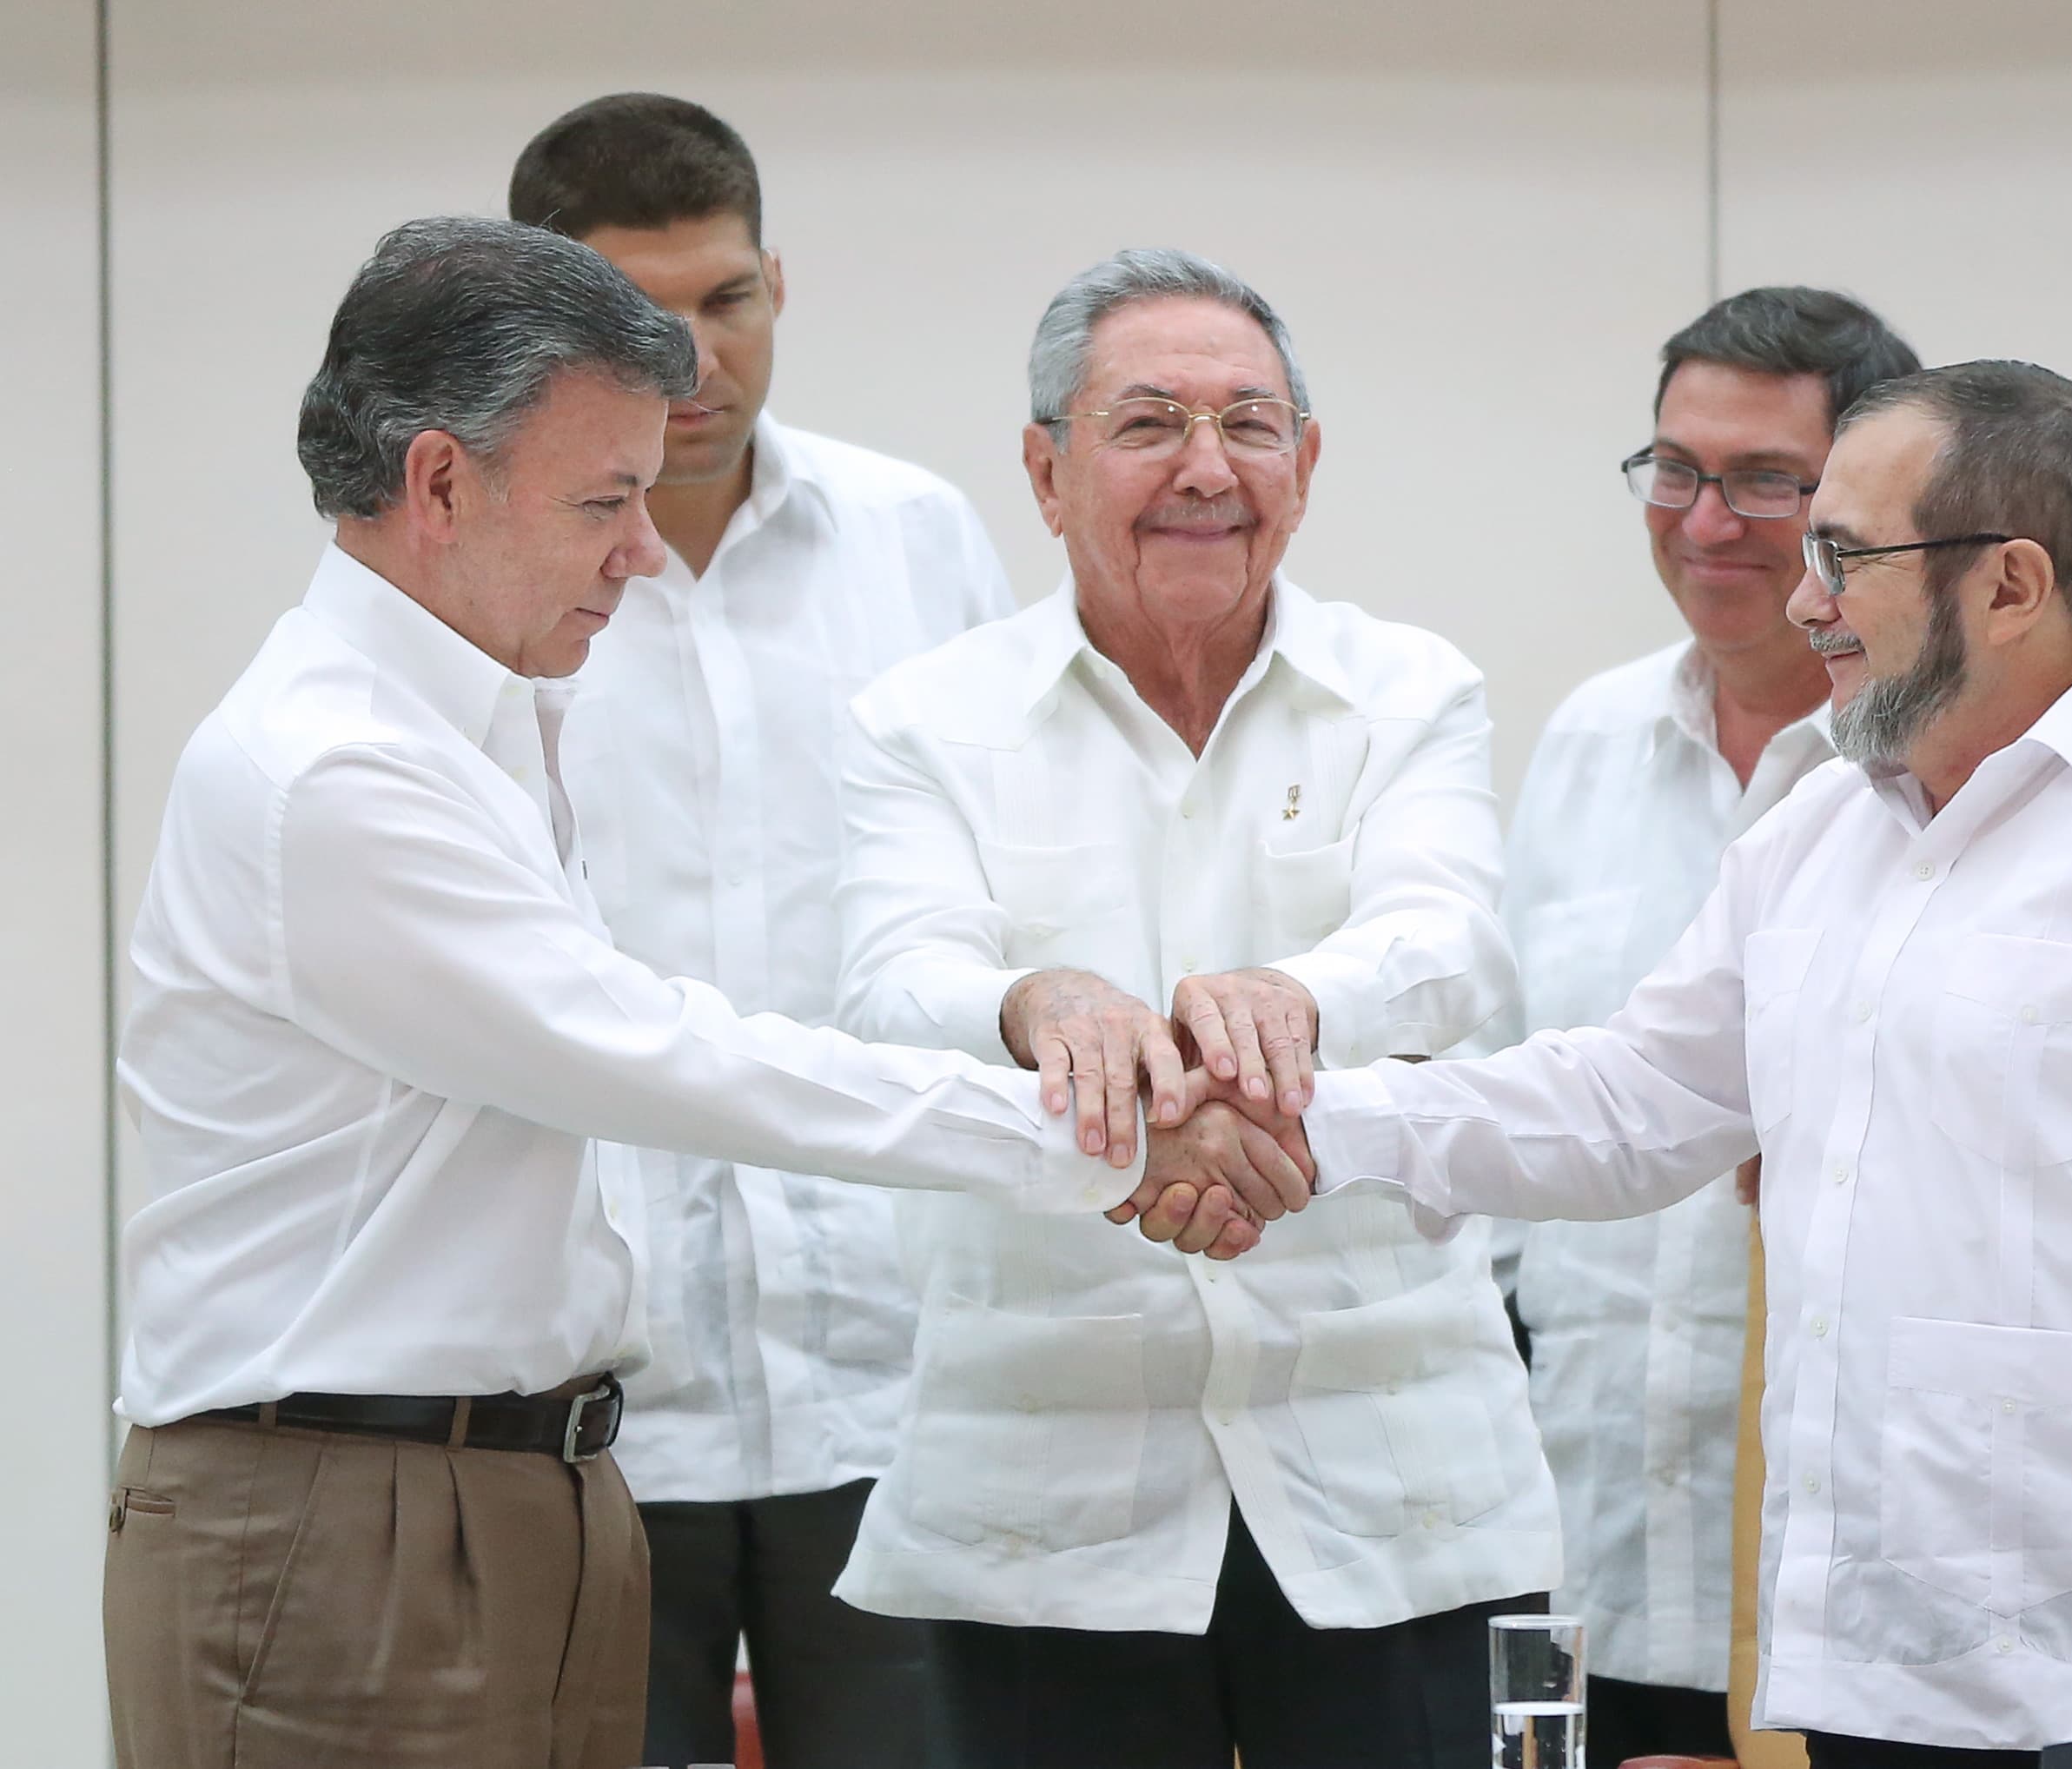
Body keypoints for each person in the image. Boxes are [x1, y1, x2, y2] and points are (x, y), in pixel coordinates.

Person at [103, 217, 1301, 1769]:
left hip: (513, 1484)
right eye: (607, 500)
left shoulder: (479, 713)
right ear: (441, 483)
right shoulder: (337, 768)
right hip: (349, 1515)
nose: (643, 550)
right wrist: (1116, 1137)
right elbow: (659, 1058)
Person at [1297, 360, 2072, 1767]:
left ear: (2009, 585)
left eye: (1843, 558)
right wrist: (1304, 1121)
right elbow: (1624, 1104)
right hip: (1883, 1665)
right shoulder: (1810, 843)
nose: (1806, 604)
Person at [830, 248, 1552, 1769]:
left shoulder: (1409, 689)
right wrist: (1037, 1004)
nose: (1206, 470)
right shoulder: (923, 721)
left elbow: (1451, 947)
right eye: (1148, 423)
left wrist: (1283, 1009)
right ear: (1044, 470)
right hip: (1046, 1485)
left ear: (1307, 461)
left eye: (1251, 425)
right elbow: (892, 990)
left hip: (1391, 1471)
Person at [508, 93, 1016, 1769]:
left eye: (727, 301)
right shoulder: (487, 585)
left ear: (778, 283)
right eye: (638, 320)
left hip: (891, 1376)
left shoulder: (916, 537)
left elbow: (1006, 894)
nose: (695, 358)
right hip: (594, 1401)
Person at [1502, 287, 1914, 1769]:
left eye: (1763, 482)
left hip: (1842, 1570)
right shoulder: (1587, 741)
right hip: (1583, 1543)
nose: (1705, 521)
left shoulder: (1935, 768)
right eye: (1674, 469)